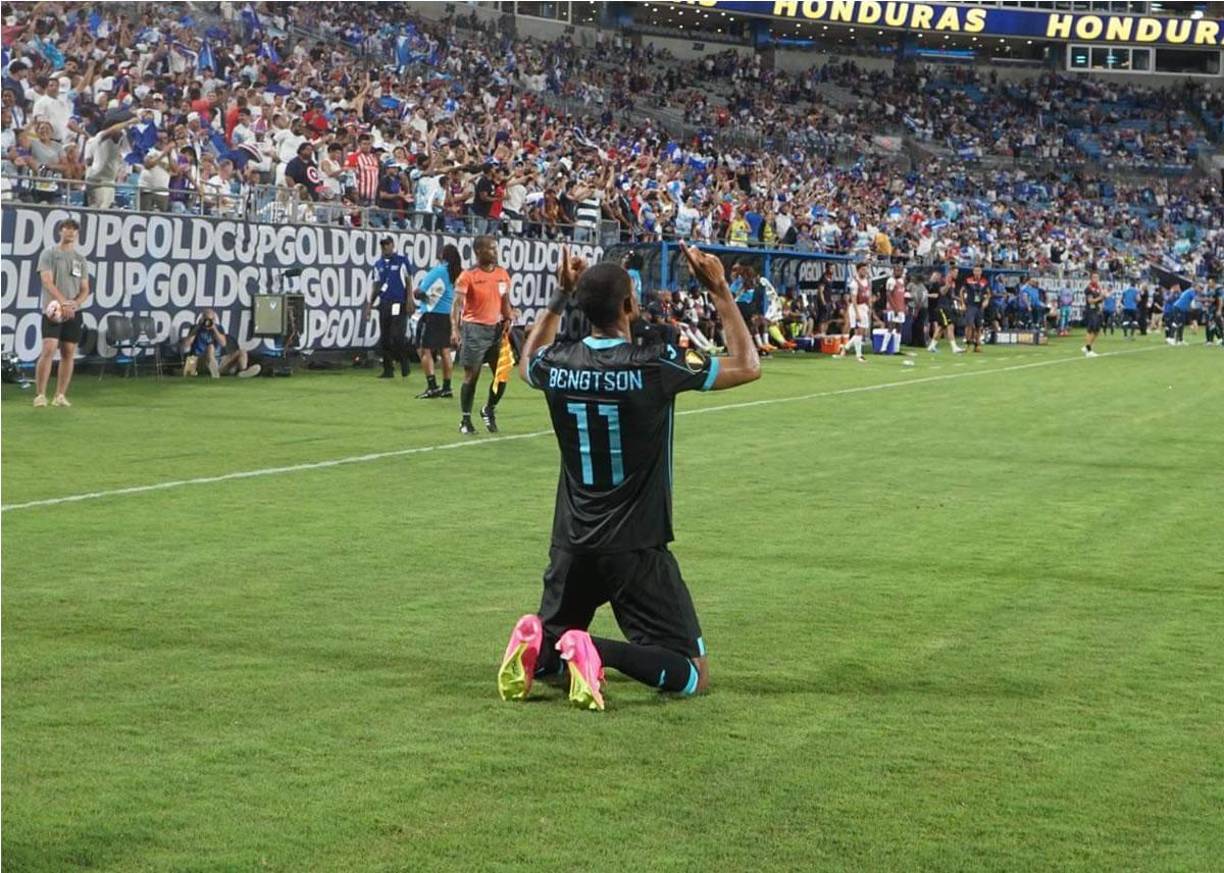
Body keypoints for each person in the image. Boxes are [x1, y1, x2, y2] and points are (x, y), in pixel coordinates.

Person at [497, 241, 760, 710]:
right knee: (692, 676)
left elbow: (525, 362)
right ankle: (596, 650)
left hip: (571, 542)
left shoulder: (556, 365)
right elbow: (748, 366)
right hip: (634, 545)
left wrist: (559, 296)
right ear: (629, 305)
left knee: (558, 644)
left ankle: (538, 642)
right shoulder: (654, 364)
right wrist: (719, 289)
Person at [450, 235, 515, 435]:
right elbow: (457, 305)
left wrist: (509, 317)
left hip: (496, 330)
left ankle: (489, 408)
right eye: (491, 249)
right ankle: (465, 420)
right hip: (474, 330)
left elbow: (504, 302)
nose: (495, 253)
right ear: (479, 252)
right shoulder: (467, 276)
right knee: (472, 376)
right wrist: (455, 329)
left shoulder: (502, 274)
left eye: (496, 249)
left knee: (501, 375)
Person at [34, 218, 90, 408]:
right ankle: (40, 394)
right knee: (49, 349)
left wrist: (74, 303)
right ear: (60, 231)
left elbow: (85, 289)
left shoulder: (80, 260)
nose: (71, 232)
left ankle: (60, 395)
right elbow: (47, 281)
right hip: (53, 311)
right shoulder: (49, 254)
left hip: (73, 313)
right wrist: (62, 301)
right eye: (67, 228)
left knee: (68, 352)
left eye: (74, 230)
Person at [413, 244, 461, 399]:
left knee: (423, 349)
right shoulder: (457, 273)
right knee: (445, 350)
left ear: (443, 255)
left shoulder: (439, 270)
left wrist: (419, 295)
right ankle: (447, 387)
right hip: (447, 315)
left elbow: (420, 291)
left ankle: (432, 386)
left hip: (432, 314)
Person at [363, 237, 414, 379]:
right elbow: (376, 285)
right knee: (385, 337)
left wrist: (409, 299)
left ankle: (404, 362)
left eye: (387, 244)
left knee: (397, 335)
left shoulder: (402, 261)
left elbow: (409, 281)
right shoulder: (378, 264)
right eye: (383, 245)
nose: (385, 247)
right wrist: (370, 305)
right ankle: (388, 369)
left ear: (392, 245)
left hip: (398, 302)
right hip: (384, 303)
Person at [837, 263, 871, 362]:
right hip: (856, 308)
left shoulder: (867, 281)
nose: (865, 271)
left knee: (862, 332)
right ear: (858, 270)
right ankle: (859, 355)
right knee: (858, 332)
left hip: (864, 307)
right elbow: (854, 299)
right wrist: (857, 314)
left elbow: (868, 295)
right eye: (863, 270)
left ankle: (845, 348)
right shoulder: (854, 283)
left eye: (866, 269)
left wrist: (869, 306)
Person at [961, 264, 990, 353]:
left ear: (981, 272)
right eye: (975, 271)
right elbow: (961, 291)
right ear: (973, 272)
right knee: (969, 325)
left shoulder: (985, 281)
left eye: (979, 271)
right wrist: (962, 303)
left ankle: (977, 345)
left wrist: (986, 301)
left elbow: (989, 293)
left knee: (979, 326)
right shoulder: (968, 280)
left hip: (980, 306)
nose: (977, 272)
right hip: (970, 305)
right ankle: (968, 344)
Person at [884, 263, 907, 354]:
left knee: (899, 328)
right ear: (893, 271)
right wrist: (895, 308)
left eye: (901, 270)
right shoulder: (891, 281)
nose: (899, 272)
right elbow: (888, 295)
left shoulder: (901, 281)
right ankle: (884, 348)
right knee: (891, 327)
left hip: (900, 308)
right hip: (893, 309)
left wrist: (904, 307)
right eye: (897, 270)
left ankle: (896, 349)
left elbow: (901, 296)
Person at [1081, 271, 1104, 358]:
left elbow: (1100, 299)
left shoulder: (1097, 288)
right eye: (1094, 277)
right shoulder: (1089, 289)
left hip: (1097, 310)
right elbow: (1090, 301)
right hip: (1091, 310)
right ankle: (1088, 349)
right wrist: (1100, 298)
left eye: (1097, 277)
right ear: (1091, 278)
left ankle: (1087, 346)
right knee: (1091, 330)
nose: (1096, 279)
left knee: (1097, 330)